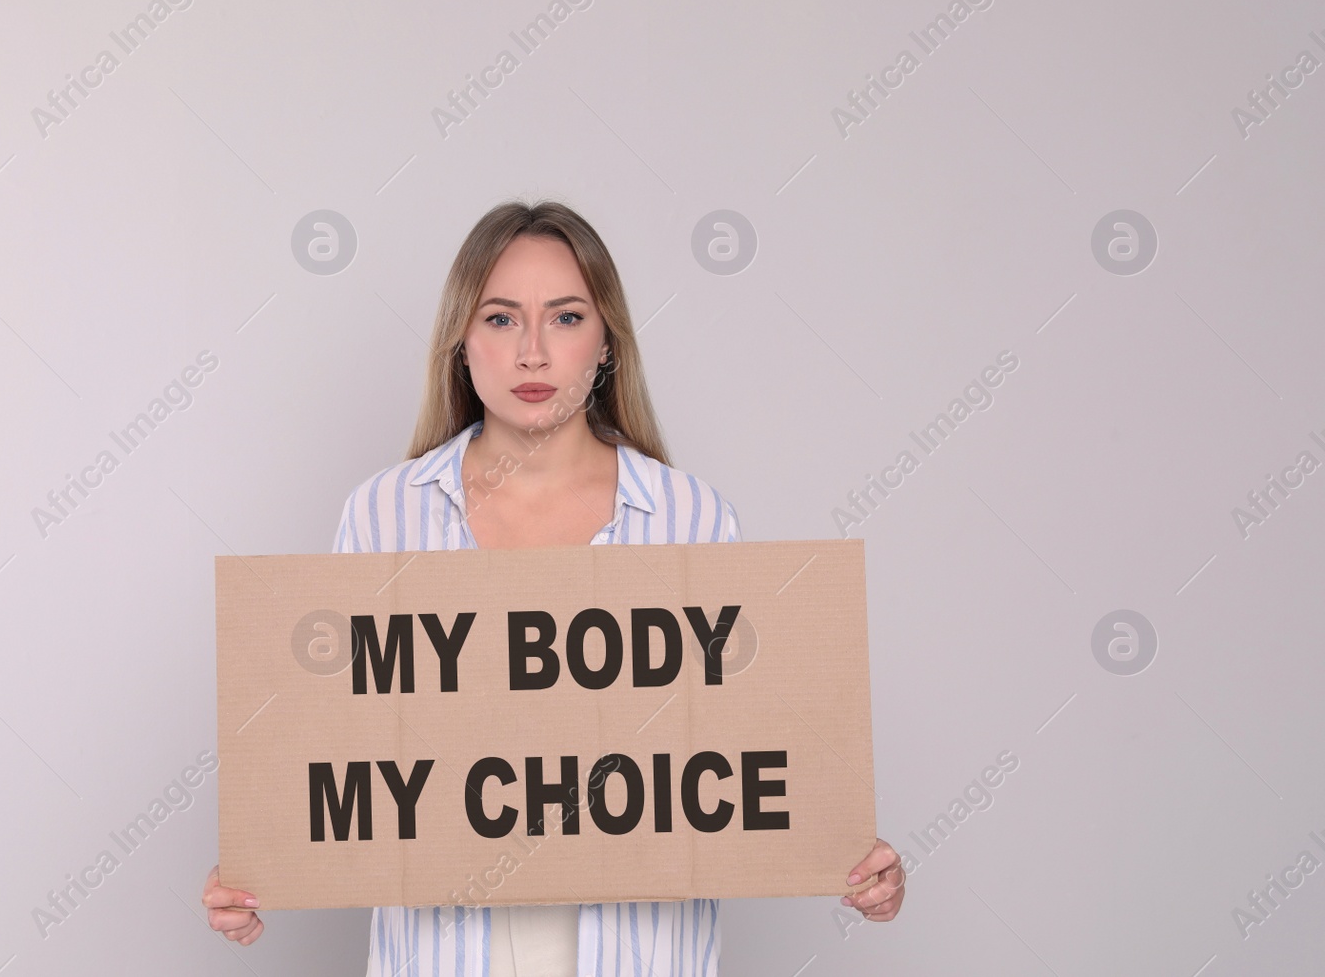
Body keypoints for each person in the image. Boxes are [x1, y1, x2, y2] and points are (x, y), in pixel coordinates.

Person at [203, 199, 904, 973]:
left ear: (606, 342)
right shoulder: (382, 515)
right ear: (461, 342)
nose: (532, 353)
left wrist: (849, 853)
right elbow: (333, 751)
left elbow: (746, 755)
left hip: (636, 951)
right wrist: (259, 864)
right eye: (501, 320)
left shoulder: (691, 518)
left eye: (565, 317)